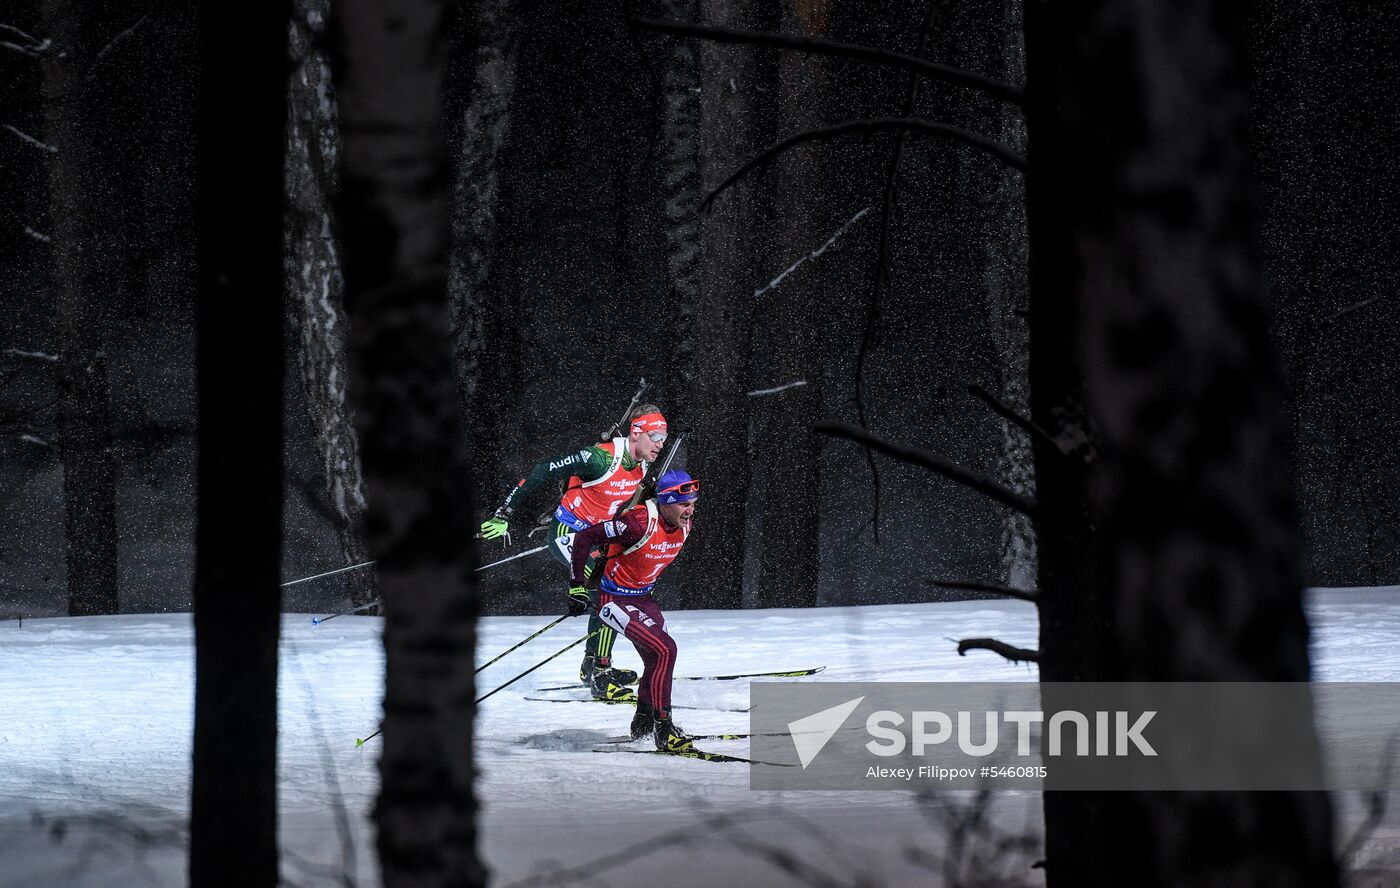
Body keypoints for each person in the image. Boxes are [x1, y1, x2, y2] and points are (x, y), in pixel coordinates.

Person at [479, 405, 669, 700]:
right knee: (611, 592)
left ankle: (593, 664)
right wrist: (505, 513)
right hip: (569, 533)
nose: (661, 443)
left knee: (620, 589)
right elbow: (544, 468)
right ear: (636, 432)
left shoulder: (643, 464)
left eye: (664, 437)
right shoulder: (600, 457)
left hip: (597, 538)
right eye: (655, 435)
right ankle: (599, 673)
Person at [566, 469, 699, 752]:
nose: (690, 510)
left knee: (657, 658)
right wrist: (576, 586)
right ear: (665, 501)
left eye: (693, 502)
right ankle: (664, 728)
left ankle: (643, 721)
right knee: (666, 650)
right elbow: (584, 537)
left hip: (643, 599)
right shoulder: (637, 523)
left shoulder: (684, 524)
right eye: (684, 503)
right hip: (612, 600)